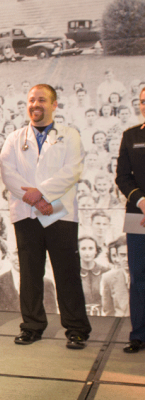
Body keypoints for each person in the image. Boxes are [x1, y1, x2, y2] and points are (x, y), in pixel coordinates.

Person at [0, 84, 91, 350]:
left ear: (54, 105)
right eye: (31, 100)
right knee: (29, 273)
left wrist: (43, 194)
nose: (35, 104)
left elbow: (72, 171)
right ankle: (31, 327)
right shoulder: (15, 138)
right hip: (27, 214)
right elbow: (7, 172)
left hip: (59, 213)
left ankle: (76, 329)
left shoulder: (69, 135)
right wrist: (36, 199)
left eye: (41, 100)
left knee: (67, 273)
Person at [114, 86, 145, 353]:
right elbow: (122, 177)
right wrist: (142, 201)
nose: (144, 105)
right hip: (137, 214)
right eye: (142, 101)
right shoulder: (130, 135)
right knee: (138, 276)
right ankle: (139, 334)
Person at [101, 236, 129, 317]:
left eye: (130, 254)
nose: (127, 259)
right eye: (123, 255)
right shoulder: (108, 278)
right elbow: (108, 311)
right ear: (117, 256)